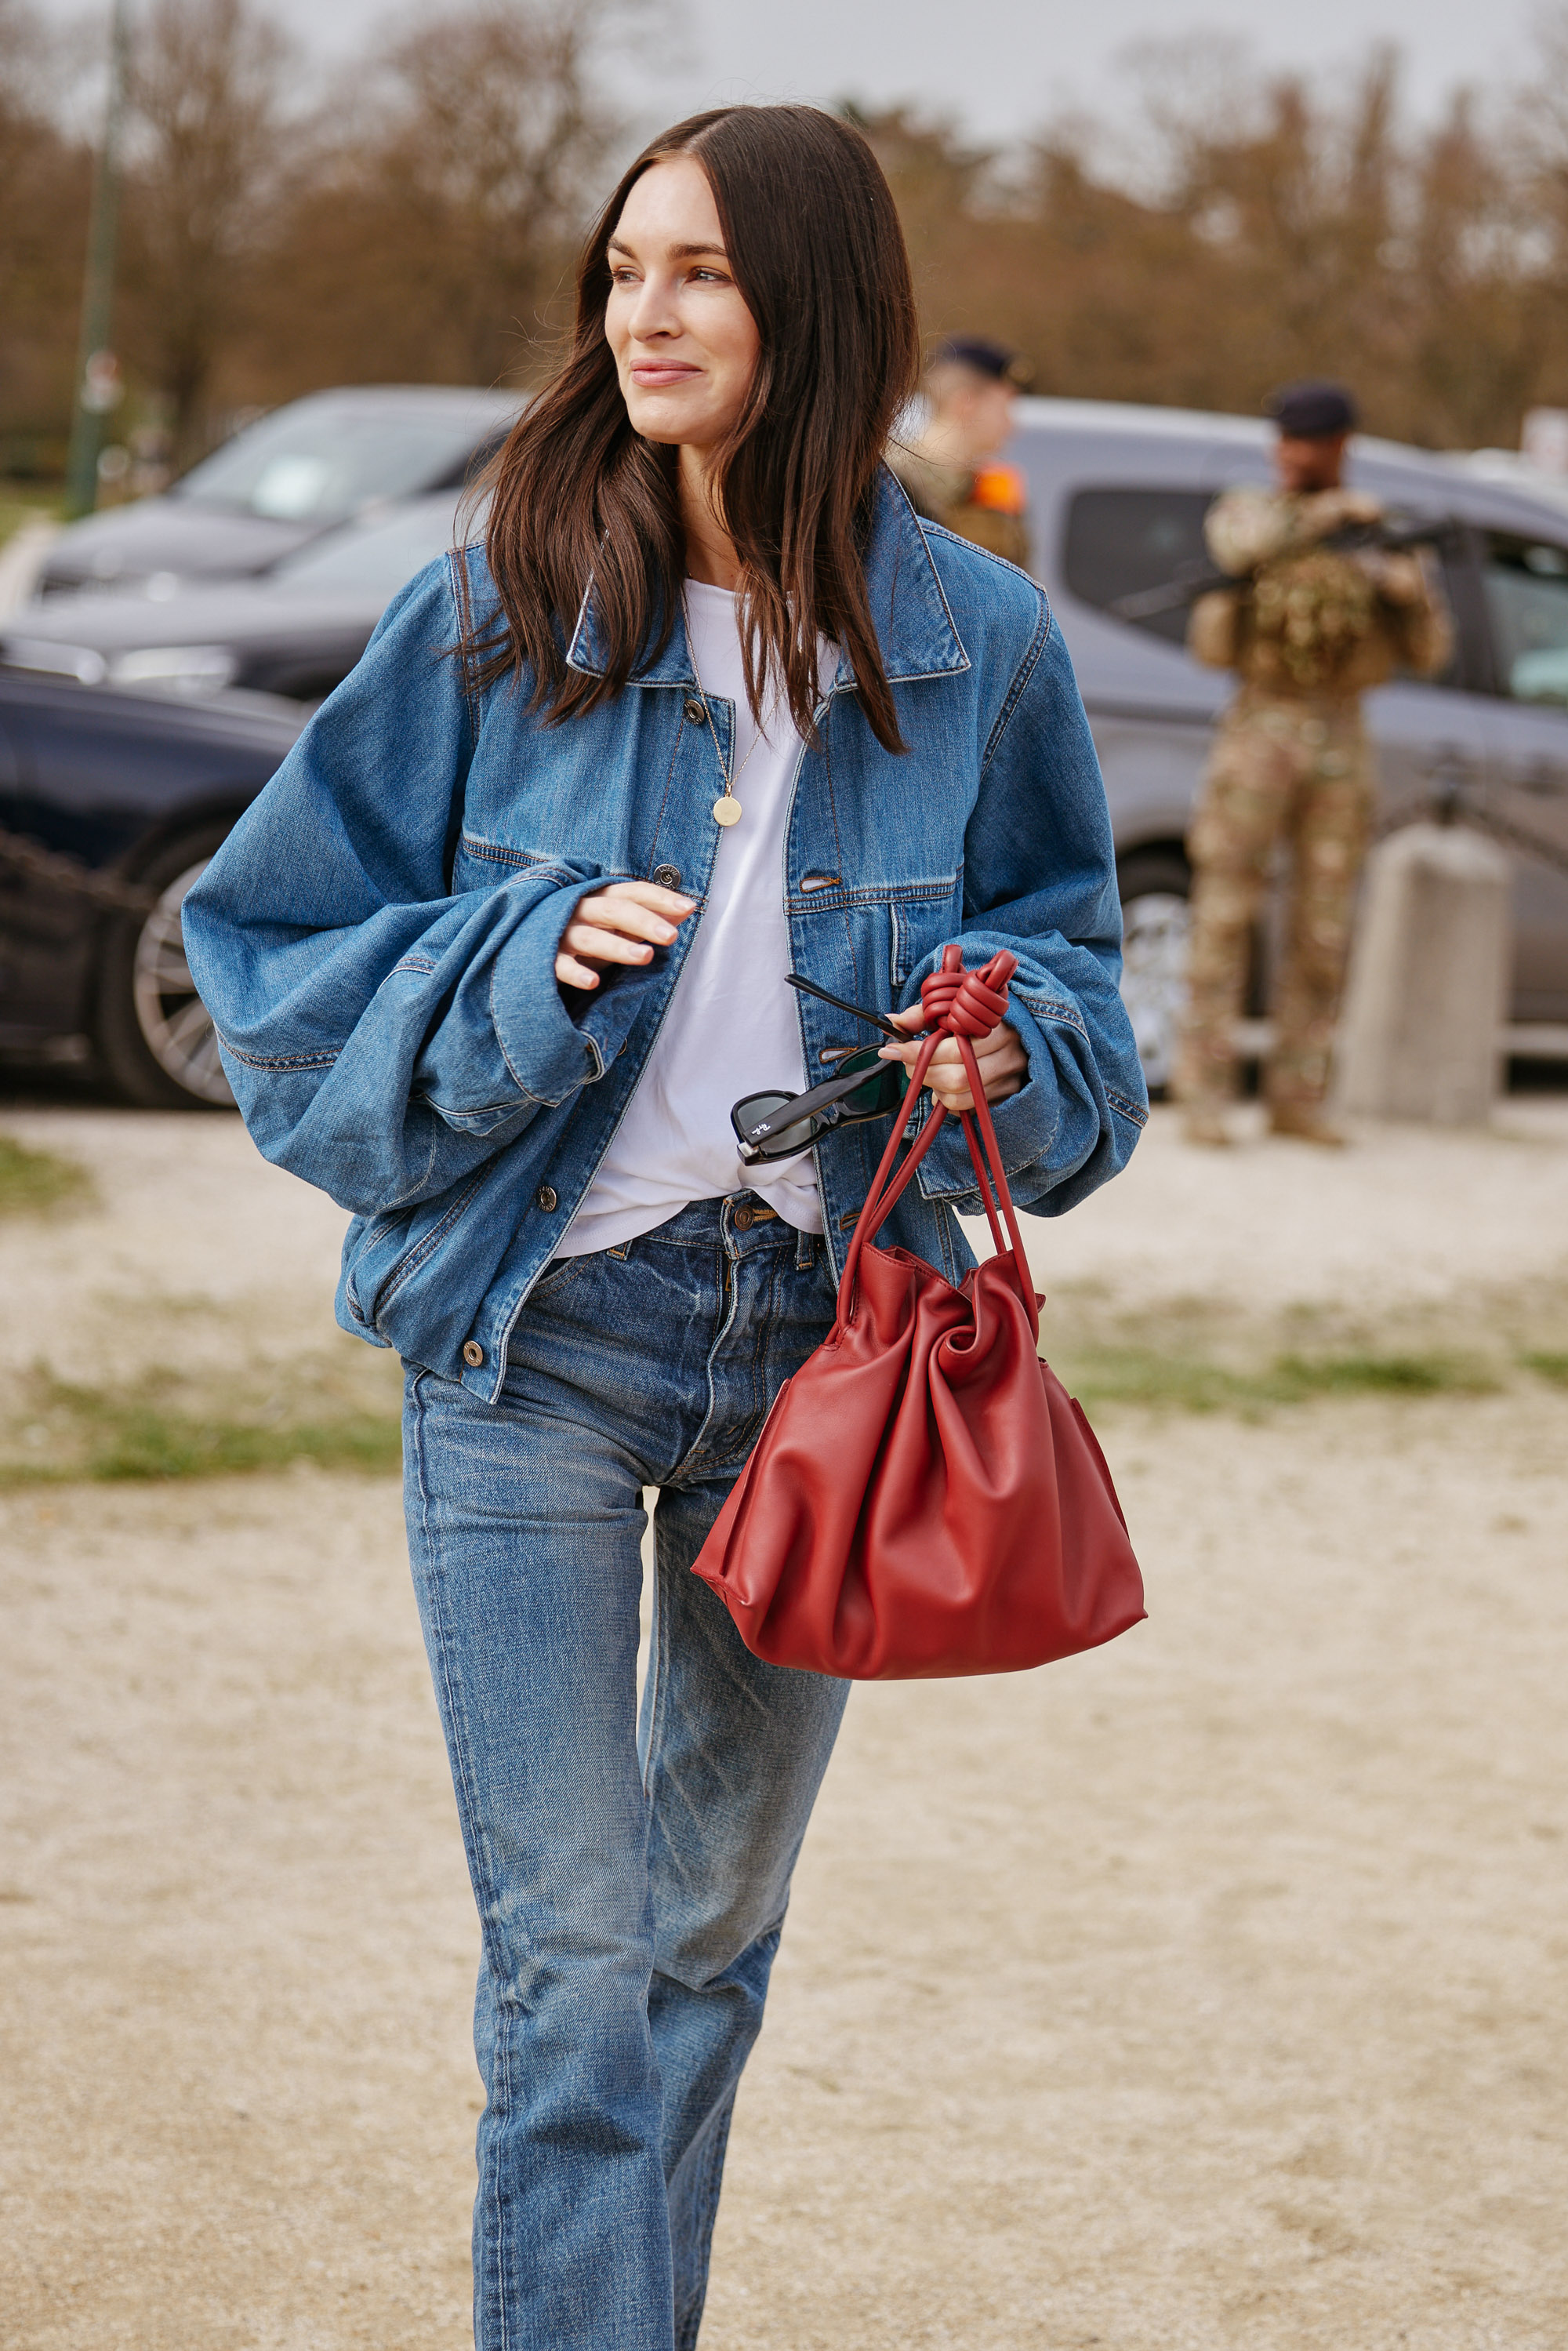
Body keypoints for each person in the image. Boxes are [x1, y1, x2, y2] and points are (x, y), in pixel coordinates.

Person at [182, 104, 1145, 2351]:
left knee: (709, 1926)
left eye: (698, 271)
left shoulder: (975, 634)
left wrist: (1022, 1049)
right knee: (579, 1953)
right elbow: (267, 949)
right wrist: (518, 975)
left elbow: (1078, 955)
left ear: (815, 304)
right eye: (625, 269)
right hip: (538, 1327)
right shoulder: (505, 594)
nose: (645, 309)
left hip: (821, 1354)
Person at [1174, 380, 1452, 1146]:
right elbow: (1237, 543)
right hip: (1258, 721)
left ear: (1337, 447)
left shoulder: (1382, 535)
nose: (1289, 455)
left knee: (1322, 924)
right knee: (1223, 912)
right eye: (1282, 441)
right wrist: (1329, 517)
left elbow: (1430, 650)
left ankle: (1298, 1095)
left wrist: (1402, 589)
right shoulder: (1253, 510)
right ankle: (1203, 1095)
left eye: (1304, 442)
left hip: (1339, 730)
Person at [887, 332, 1033, 567]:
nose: (1011, 423)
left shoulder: (992, 489)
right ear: (966, 403)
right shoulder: (892, 480)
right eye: (1005, 406)